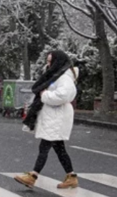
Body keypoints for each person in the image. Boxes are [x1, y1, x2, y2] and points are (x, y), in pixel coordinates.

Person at [15, 50, 79, 189]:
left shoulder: (64, 78)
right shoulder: (56, 75)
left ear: (58, 62)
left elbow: (64, 95)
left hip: (57, 116)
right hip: (53, 116)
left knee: (44, 146)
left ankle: (33, 176)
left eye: (51, 61)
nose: (48, 64)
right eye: (48, 61)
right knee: (59, 148)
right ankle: (71, 176)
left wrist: (45, 95)